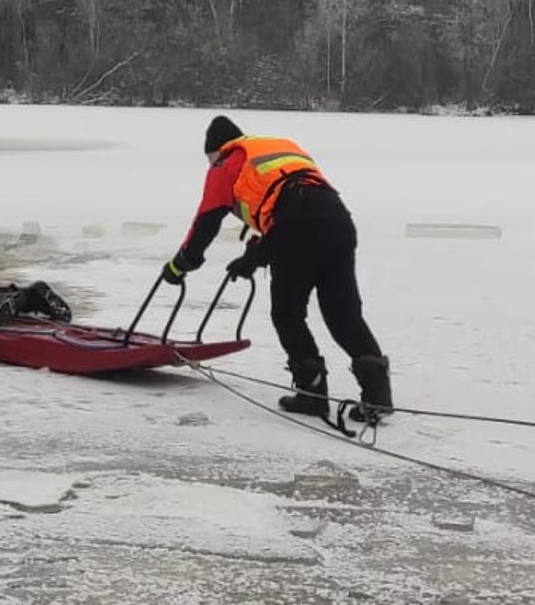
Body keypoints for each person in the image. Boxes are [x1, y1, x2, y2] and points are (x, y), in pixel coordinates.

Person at [161, 116, 393, 422]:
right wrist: (256, 254)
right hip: (338, 221)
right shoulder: (275, 148)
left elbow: (206, 223)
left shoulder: (227, 164)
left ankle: (312, 394)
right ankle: (377, 395)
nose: (209, 165)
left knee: (287, 314)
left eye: (209, 159)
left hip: (296, 225)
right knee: (343, 314)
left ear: (217, 150)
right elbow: (291, 203)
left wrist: (181, 264)